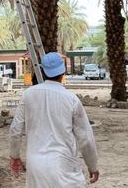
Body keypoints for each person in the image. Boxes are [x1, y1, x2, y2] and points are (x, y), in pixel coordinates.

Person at [9, 52, 99, 187]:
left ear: (43, 72)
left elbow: (16, 130)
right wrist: (93, 166)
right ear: (62, 73)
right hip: (64, 165)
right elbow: (85, 138)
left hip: (35, 165)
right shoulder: (71, 99)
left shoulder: (28, 95)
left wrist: (15, 156)